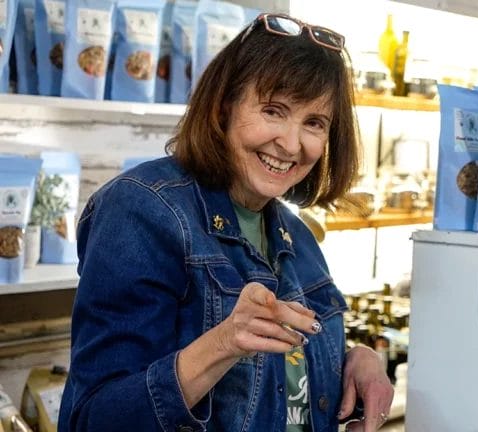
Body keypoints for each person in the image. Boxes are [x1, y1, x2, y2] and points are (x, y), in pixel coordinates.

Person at [59, 13, 394, 432]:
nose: (292, 144)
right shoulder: (142, 210)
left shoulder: (299, 238)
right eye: (273, 110)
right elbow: (94, 419)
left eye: (314, 123)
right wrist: (223, 344)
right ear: (223, 107)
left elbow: (283, 381)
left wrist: (356, 360)